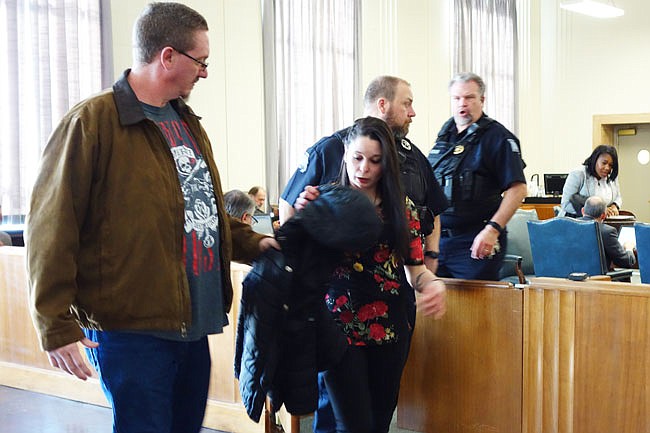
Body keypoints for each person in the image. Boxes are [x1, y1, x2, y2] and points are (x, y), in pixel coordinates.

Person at [25, 3, 278, 433]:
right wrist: (54, 324)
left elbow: (207, 210)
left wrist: (259, 241)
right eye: (201, 61)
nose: (204, 72)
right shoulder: (92, 123)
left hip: (192, 327)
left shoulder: (187, 123)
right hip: (132, 332)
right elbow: (51, 227)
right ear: (168, 57)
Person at [279, 75, 448, 432]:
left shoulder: (402, 209)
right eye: (357, 159)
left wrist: (432, 284)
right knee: (352, 424)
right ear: (346, 156)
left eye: (374, 161)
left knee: (378, 419)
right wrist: (305, 219)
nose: (363, 169)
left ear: (386, 163)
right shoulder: (324, 200)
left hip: (389, 326)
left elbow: (415, 269)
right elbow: (292, 255)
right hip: (337, 326)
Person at [428, 72, 527, 281]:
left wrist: (493, 229)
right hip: (438, 240)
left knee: (475, 309)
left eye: (469, 97)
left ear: (481, 100)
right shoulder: (445, 136)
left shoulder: (498, 138)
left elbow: (518, 189)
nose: (462, 103)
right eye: (457, 98)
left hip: (475, 241)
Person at [560, 145, 622, 218]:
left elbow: (618, 197)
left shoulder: (611, 176)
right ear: (595, 159)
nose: (607, 168)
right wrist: (596, 212)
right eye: (604, 163)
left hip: (603, 221)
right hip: (576, 220)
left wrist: (614, 206)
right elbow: (566, 204)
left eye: (611, 165)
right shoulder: (578, 174)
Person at [579, 196, 636, 268]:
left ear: (582, 211)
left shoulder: (567, 226)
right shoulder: (607, 232)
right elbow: (627, 262)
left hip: (566, 276)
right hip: (598, 278)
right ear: (603, 216)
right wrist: (629, 248)